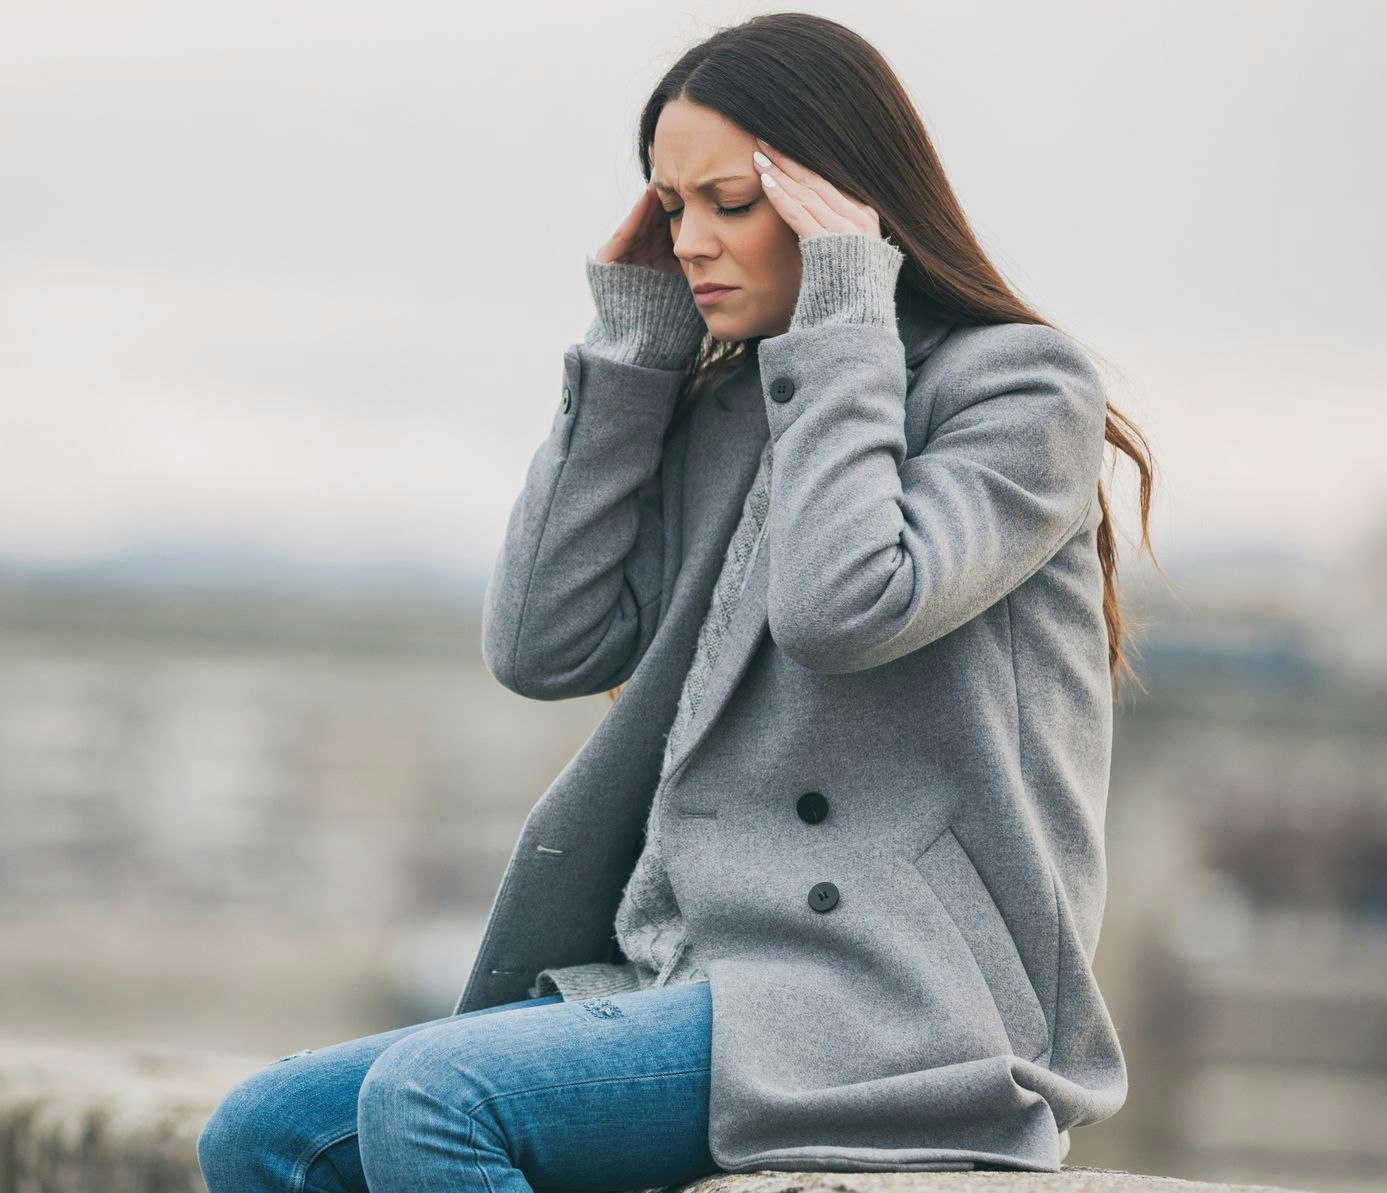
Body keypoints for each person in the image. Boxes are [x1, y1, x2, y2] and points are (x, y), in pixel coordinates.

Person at [198, 10, 1160, 1189]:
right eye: (671, 206)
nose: (693, 240)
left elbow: (844, 606)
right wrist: (633, 354)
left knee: (434, 1101)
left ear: (843, 205)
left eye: (731, 203)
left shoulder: (1018, 389)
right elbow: (542, 640)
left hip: (891, 994)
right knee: (261, 1131)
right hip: (686, 967)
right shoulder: (729, 410)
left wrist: (849, 318)